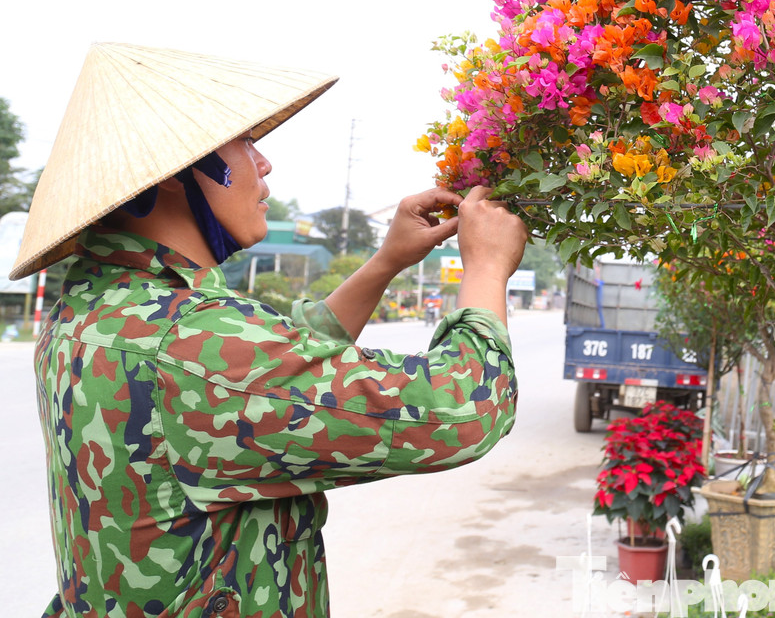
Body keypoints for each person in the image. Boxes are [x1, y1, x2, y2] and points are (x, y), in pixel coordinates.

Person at [9, 43, 527, 618]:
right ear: (181, 169)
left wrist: (385, 263)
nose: (264, 163)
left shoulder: (92, 309)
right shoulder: (186, 343)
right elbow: (463, 411)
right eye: (245, 142)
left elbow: (278, 360)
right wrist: (485, 267)